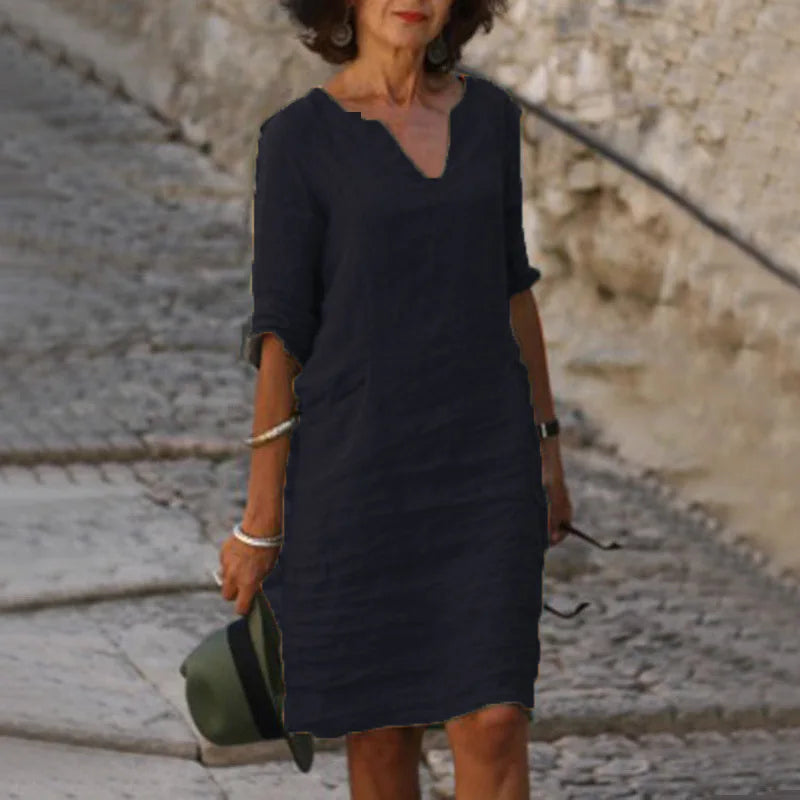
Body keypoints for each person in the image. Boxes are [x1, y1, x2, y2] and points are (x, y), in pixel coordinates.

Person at [217, 0, 574, 797]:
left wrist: (547, 447)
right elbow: (281, 334)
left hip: (484, 467)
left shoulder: (489, 119)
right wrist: (260, 520)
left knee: (495, 719)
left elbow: (513, 289)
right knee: (381, 736)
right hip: (356, 476)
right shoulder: (298, 140)